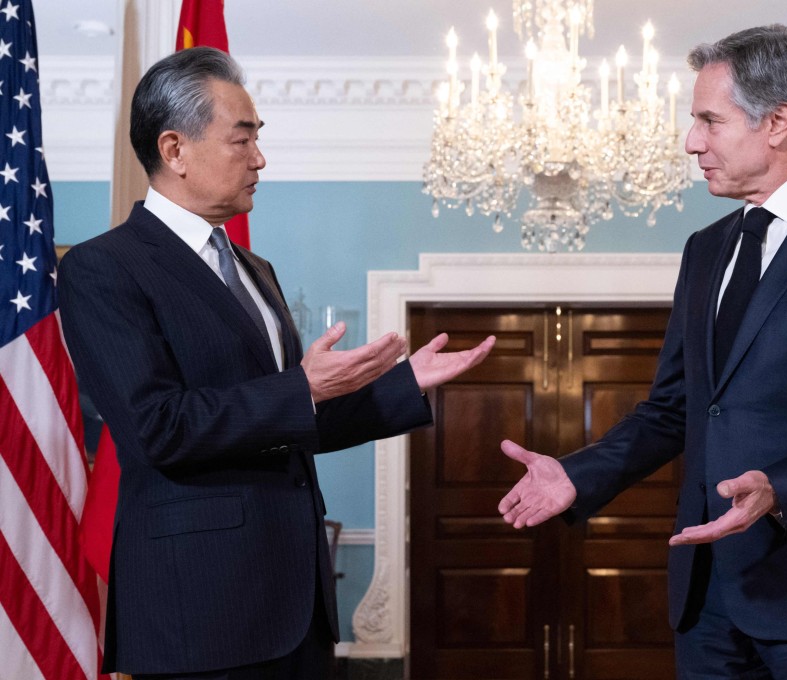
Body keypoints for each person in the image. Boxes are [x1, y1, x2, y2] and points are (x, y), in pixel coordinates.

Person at [498, 25, 787, 679]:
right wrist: (578, 475)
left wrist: (781, 488)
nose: (691, 142)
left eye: (709, 120)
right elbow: (675, 407)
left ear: (777, 122)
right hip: (707, 600)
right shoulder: (706, 248)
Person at [58, 47, 494, 680]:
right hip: (199, 612)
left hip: (296, 604)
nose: (259, 158)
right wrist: (302, 389)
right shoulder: (103, 267)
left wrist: (401, 386)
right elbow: (157, 428)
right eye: (242, 140)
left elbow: (293, 421)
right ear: (175, 150)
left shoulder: (254, 269)